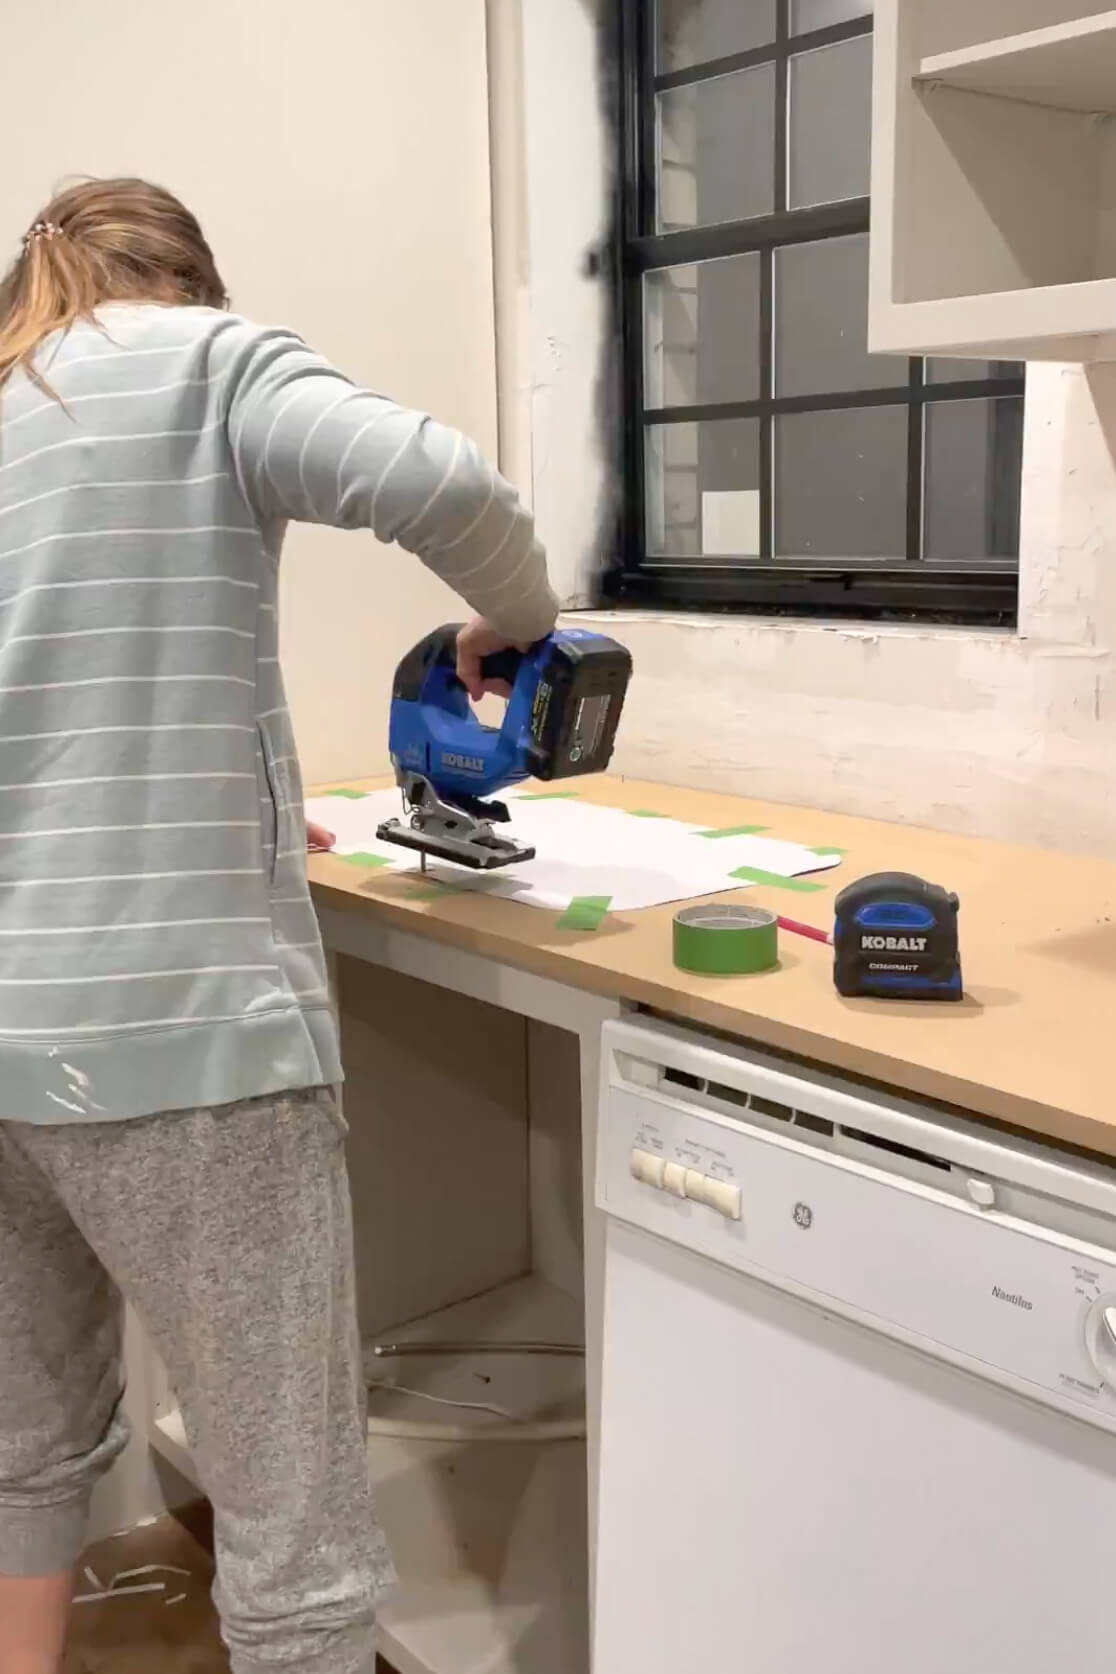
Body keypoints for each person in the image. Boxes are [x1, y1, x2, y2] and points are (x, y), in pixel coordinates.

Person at [0, 177, 558, 1674]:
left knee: (26, 1449)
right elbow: (451, 488)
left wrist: (229, 808)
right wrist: (514, 619)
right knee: (294, 1525)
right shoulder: (210, 361)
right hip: (182, 1036)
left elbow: (46, 710)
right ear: (187, 279)